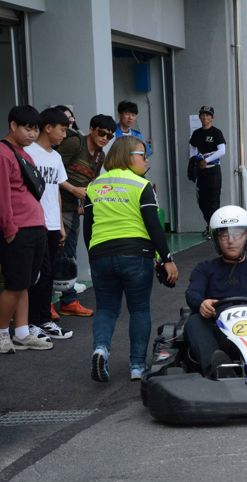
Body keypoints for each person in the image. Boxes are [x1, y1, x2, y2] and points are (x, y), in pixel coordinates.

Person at [83, 136, 178, 381]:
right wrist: (165, 258)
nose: (146, 160)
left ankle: (101, 349)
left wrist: (94, 255)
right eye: (142, 154)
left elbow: (88, 228)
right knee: (139, 309)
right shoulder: (140, 185)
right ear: (127, 156)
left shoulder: (94, 185)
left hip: (101, 254)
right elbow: (153, 225)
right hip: (135, 254)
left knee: (105, 308)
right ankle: (137, 367)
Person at [184, 205, 247, 378]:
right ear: (216, 239)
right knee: (194, 322)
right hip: (220, 333)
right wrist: (201, 303)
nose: (231, 241)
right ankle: (219, 370)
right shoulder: (204, 269)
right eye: (224, 235)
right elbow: (192, 293)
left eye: (237, 235)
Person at [0, 105, 51, 353]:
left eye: (35, 129)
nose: (32, 134)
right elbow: (3, 196)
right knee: (15, 284)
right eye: (27, 128)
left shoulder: (24, 154)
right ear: (13, 126)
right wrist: (9, 229)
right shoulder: (3, 153)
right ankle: (1, 334)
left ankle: (21, 332)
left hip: (35, 226)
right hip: (18, 228)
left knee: (26, 283)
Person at [56, 113, 115, 317]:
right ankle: (50, 302)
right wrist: (73, 190)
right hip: (57, 205)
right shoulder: (74, 143)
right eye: (101, 133)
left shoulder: (101, 156)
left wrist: (85, 202)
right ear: (91, 129)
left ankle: (68, 300)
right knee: (54, 254)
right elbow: (52, 172)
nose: (105, 139)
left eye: (110, 136)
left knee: (68, 254)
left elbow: (92, 182)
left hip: (73, 208)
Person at [23, 108, 73, 340]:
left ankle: (43, 320)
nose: (64, 134)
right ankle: (33, 322)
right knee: (37, 276)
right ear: (48, 127)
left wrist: (61, 224)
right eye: (62, 129)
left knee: (48, 274)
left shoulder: (56, 157)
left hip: (53, 224)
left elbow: (57, 190)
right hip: (34, 223)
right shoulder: (27, 152)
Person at [189, 105, 227, 239]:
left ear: (212, 118)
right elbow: (192, 148)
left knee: (213, 201)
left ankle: (215, 229)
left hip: (213, 171)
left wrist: (208, 160)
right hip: (201, 171)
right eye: (203, 115)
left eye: (208, 115)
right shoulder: (196, 133)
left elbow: (222, 150)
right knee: (202, 201)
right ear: (199, 117)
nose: (205, 117)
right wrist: (195, 159)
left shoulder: (216, 132)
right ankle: (209, 225)